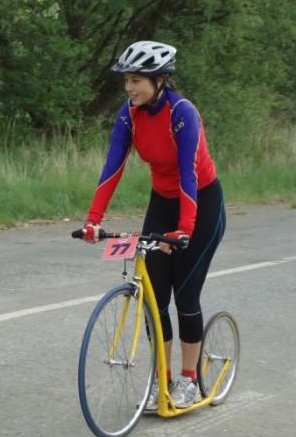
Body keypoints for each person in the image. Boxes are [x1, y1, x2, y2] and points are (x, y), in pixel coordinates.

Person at [81, 41, 226, 409]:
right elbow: (112, 167)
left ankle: (189, 380)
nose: (130, 88)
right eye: (126, 81)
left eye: (137, 81)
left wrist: (185, 229)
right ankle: (162, 381)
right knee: (154, 294)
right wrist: (93, 220)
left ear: (159, 80)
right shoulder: (129, 114)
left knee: (185, 293)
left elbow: (189, 174)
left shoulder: (182, 113)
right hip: (162, 203)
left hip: (200, 204)